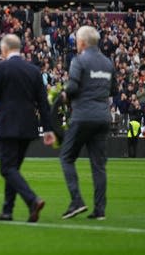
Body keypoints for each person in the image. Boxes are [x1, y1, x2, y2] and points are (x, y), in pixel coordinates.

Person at [0, 34, 55, 223]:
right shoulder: (34, 71)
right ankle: (7, 210)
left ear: (4, 49)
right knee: (13, 169)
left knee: (6, 169)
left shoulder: (2, 67)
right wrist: (49, 129)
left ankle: (32, 200)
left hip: (8, 125)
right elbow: (43, 103)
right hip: (28, 127)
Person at [60, 26, 117, 221]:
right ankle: (100, 210)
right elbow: (113, 90)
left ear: (82, 42)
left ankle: (76, 201)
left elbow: (73, 87)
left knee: (67, 157)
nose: (76, 43)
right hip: (103, 117)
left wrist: (64, 93)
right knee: (99, 166)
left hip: (83, 116)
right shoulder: (108, 63)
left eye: (76, 40)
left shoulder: (79, 60)